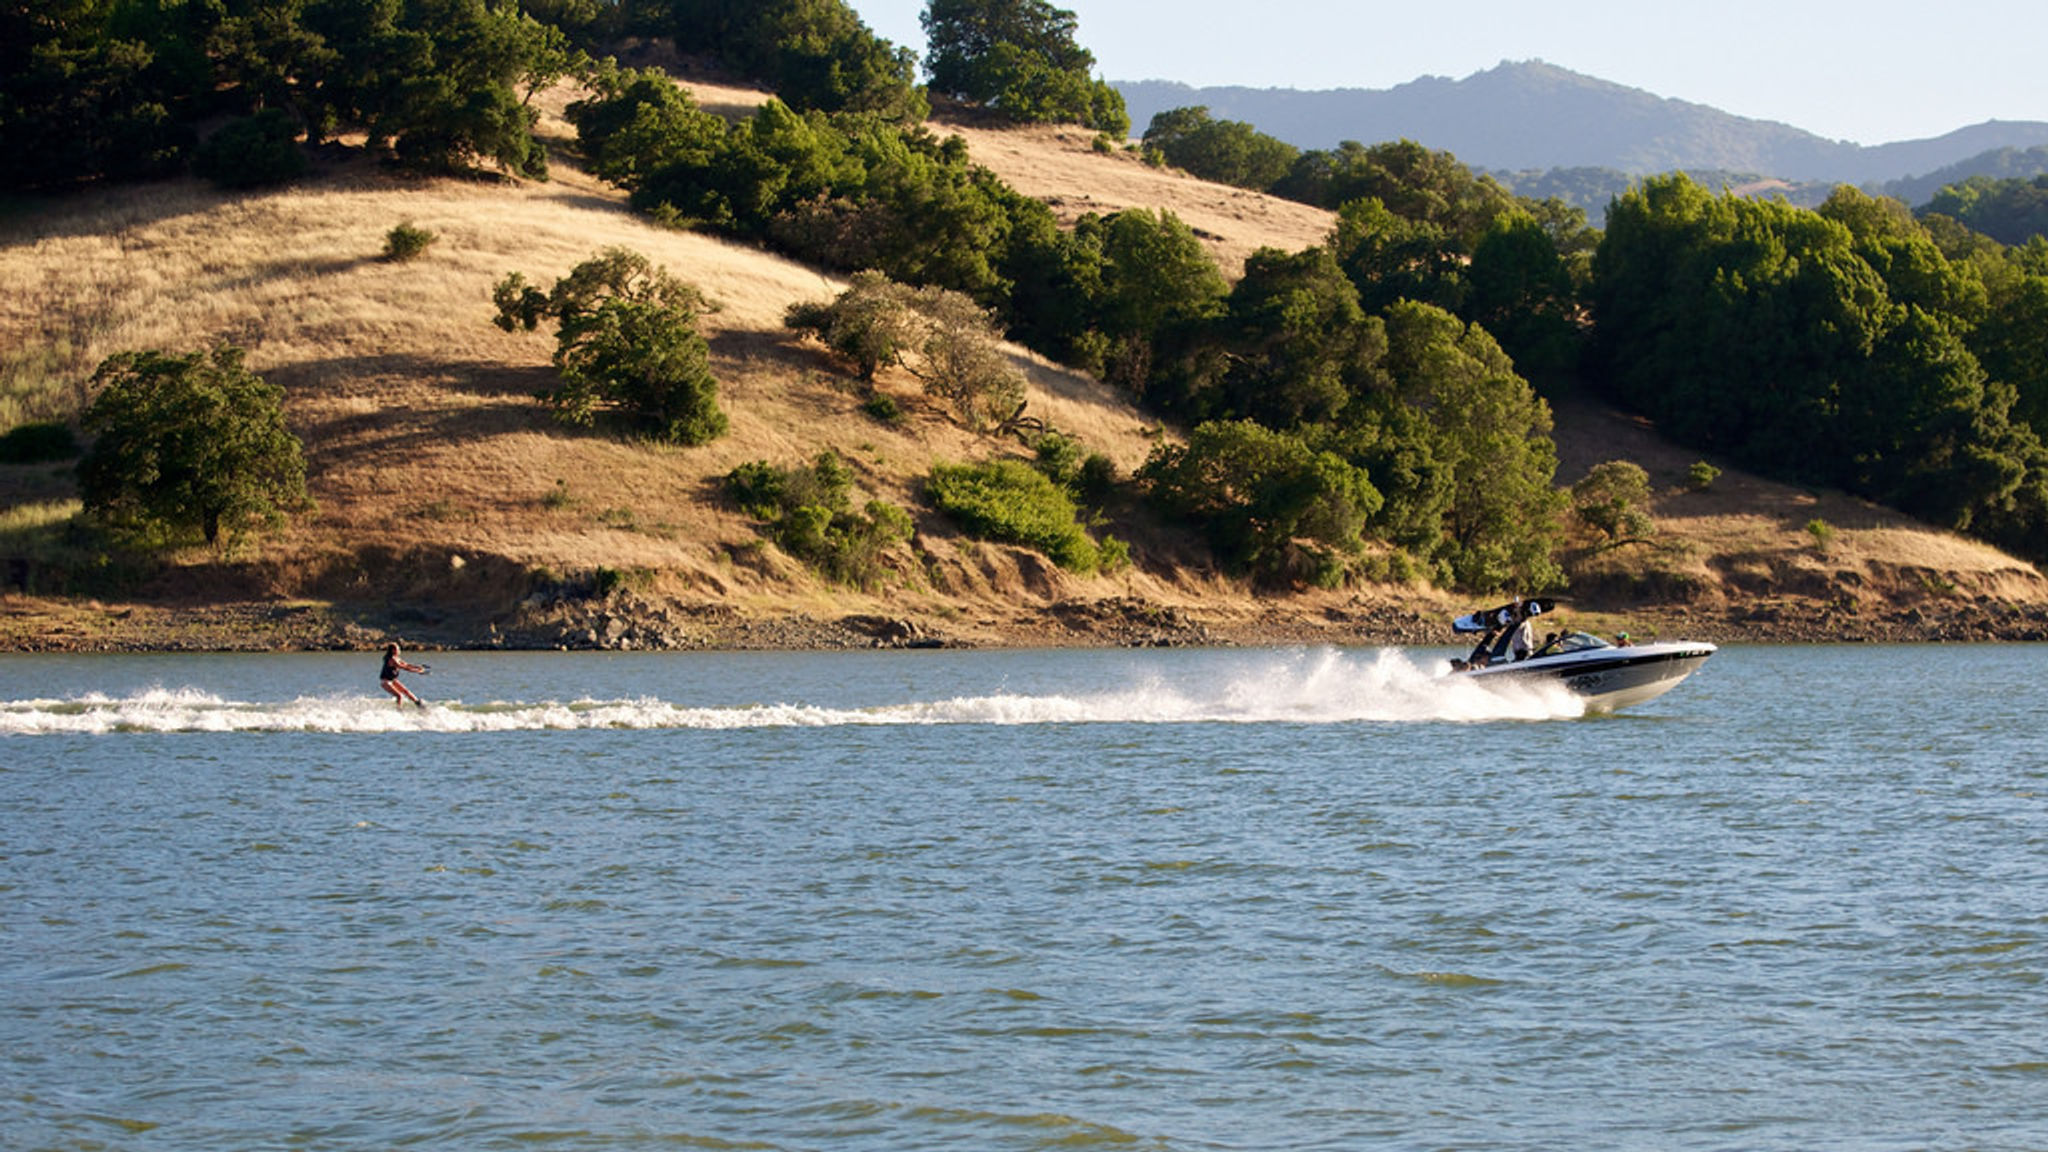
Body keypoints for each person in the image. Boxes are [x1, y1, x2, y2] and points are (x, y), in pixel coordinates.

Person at [380, 642, 427, 709]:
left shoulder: (397, 658)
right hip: (385, 682)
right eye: (398, 649)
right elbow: (403, 667)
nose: (399, 651)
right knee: (399, 696)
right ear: (393, 650)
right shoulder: (391, 659)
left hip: (392, 680)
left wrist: (418, 667)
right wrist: (417, 671)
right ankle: (398, 710)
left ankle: (418, 703)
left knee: (406, 691)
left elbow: (406, 665)